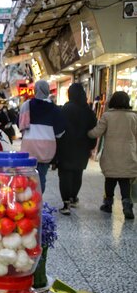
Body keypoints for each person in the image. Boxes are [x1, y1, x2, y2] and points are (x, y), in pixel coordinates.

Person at [88, 91, 137, 219]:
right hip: (128, 154)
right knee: (125, 181)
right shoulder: (133, 117)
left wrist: (87, 133)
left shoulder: (107, 116)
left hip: (111, 154)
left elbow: (97, 132)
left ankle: (108, 204)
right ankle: (127, 206)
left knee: (110, 179)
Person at [55, 83, 97, 215]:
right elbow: (93, 130)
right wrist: (91, 146)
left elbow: (58, 129)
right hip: (82, 148)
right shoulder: (89, 111)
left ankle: (66, 203)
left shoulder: (64, 110)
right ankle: (73, 198)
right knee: (77, 174)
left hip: (65, 148)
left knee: (65, 175)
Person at [18, 80, 65, 194]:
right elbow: (60, 132)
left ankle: (28, 199)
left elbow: (21, 125)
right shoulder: (55, 109)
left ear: (35, 90)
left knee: (28, 176)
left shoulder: (26, 105)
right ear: (47, 90)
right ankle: (38, 199)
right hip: (46, 149)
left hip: (29, 147)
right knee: (41, 177)